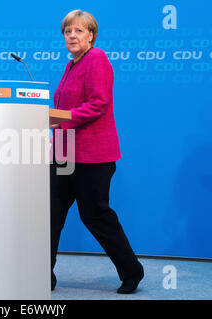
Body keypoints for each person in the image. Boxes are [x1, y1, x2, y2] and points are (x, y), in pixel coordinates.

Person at [50, 9, 144, 294]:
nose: (72, 36)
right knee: (50, 214)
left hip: (93, 155)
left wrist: (60, 118)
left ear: (91, 35)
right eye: (68, 31)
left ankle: (132, 271)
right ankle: (41, 273)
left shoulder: (97, 59)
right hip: (65, 152)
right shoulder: (72, 65)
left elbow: (98, 104)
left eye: (79, 31)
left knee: (95, 215)